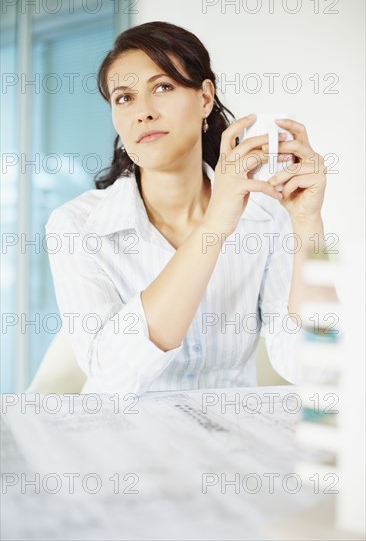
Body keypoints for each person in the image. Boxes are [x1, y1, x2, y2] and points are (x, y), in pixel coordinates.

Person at [45, 21, 328, 395]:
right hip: (123, 440)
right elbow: (111, 373)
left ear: (205, 98)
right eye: (124, 98)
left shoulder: (266, 216)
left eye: (163, 87)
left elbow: (310, 365)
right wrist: (214, 228)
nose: (142, 112)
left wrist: (308, 222)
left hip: (229, 440)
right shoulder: (77, 226)